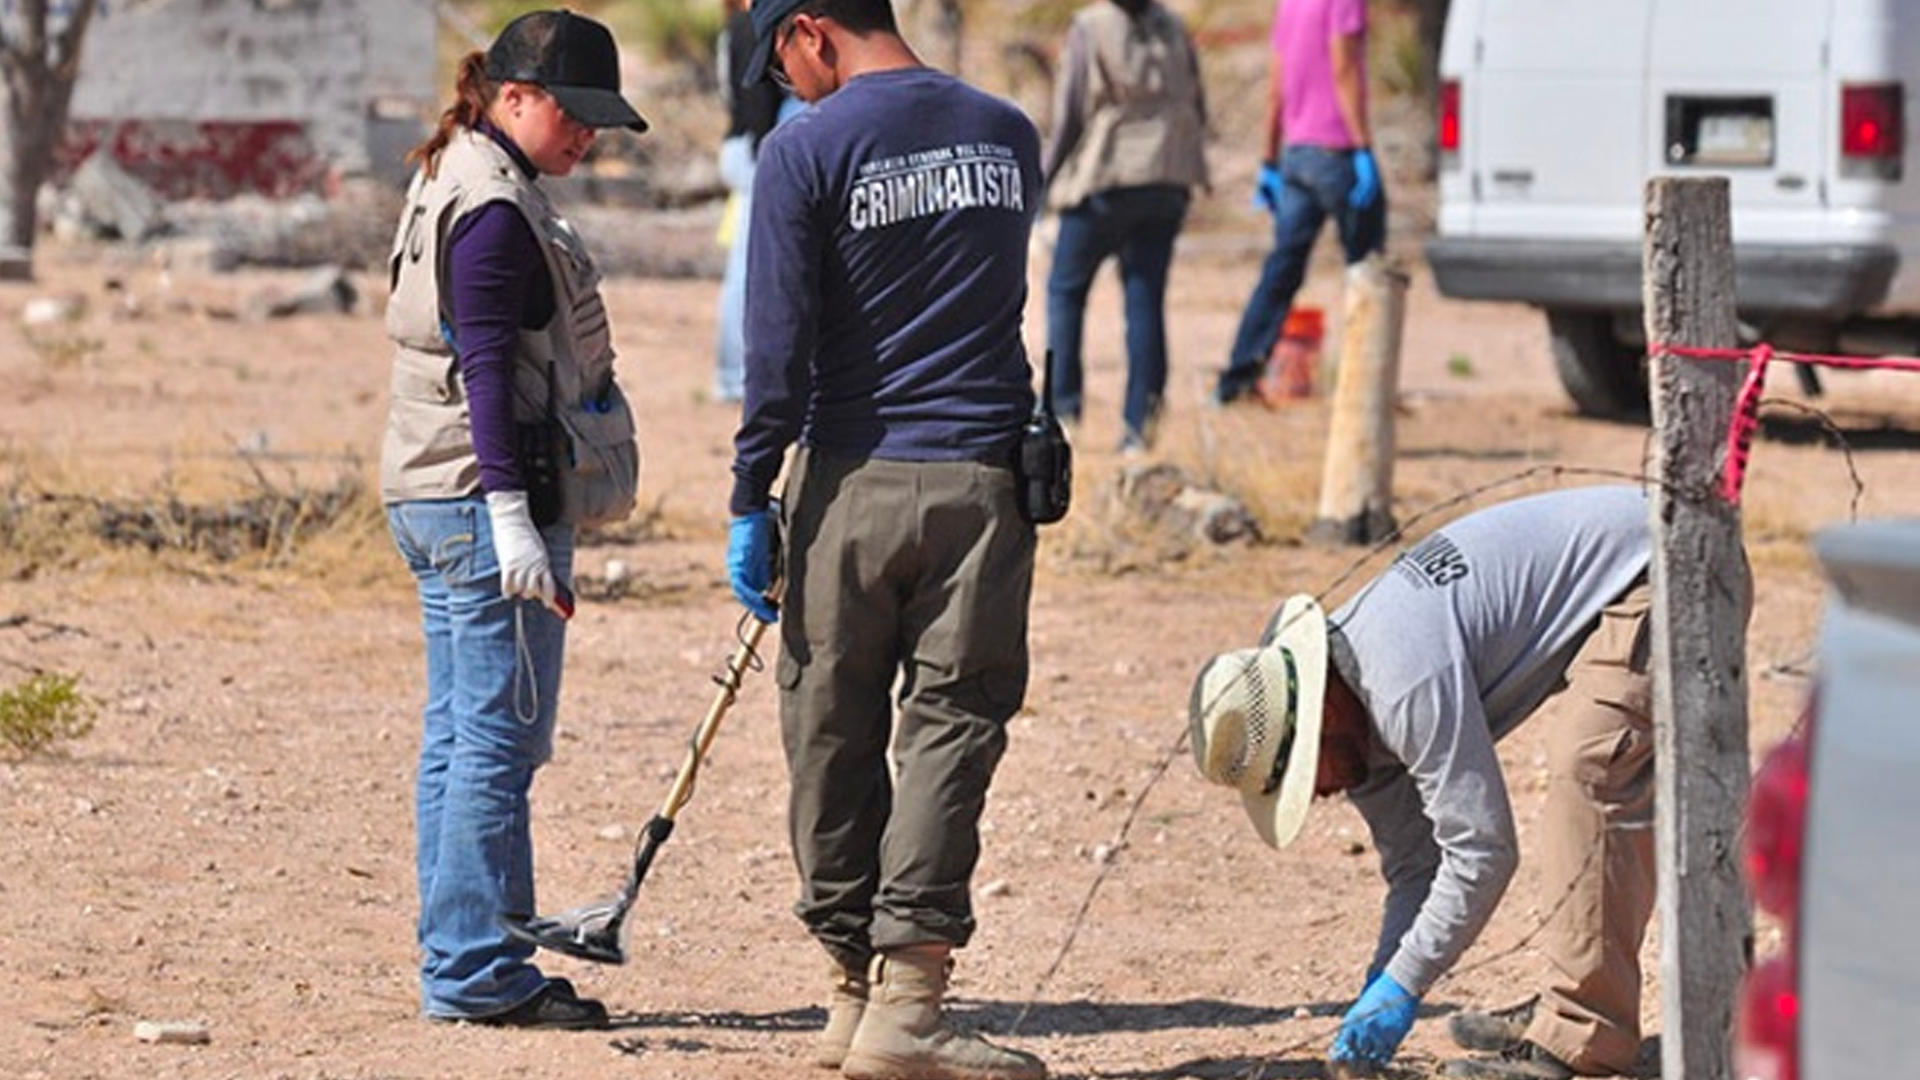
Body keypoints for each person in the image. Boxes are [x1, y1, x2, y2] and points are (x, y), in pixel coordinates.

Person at [725, 1, 1048, 1077]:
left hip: (847, 481)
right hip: (981, 480)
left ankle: (854, 993)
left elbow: (774, 347)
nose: (786, 85)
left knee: (829, 723)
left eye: (782, 60)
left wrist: (747, 491)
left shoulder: (804, 150)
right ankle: (905, 1000)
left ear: (810, 30)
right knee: (953, 725)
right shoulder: (1007, 135)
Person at [1188, 486, 1682, 1079]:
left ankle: (1581, 1037)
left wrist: (1404, 985)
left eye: (1299, 777)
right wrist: (1385, 976)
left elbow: (1484, 849)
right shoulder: (1355, 730)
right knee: (1590, 763)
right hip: (1621, 579)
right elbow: (1417, 870)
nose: (1316, 796)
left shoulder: (1398, 679)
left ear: (1319, 719)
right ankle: (1573, 1007)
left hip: (1664, 566)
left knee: (1591, 767)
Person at [378, 9, 645, 1030]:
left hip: (429, 490)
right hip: (478, 502)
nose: (588, 137)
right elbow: (486, 368)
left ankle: (464, 955)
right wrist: (512, 519)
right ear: (516, 98)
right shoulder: (493, 208)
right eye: (573, 116)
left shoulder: (459, 171)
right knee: (497, 742)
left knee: (459, 738)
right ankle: (479, 973)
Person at [1042, 0, 1209, 453]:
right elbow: (1198, 101)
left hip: (1107, 179)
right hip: (1167, 178)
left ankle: (1063, 414)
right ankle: (1140, 428)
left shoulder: (1090, 27)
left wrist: (1043, 182)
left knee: (1065, 293)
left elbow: (1070, 117)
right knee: (1145, 301)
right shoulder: (1173, 25)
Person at [1212, 0, 1385, 406]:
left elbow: (1277, 88)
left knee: (1281, 271)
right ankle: (1366, 390)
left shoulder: (1290, 5)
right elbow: (1343, 68)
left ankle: (1237, 379)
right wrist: (1362, 147)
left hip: (1296, 156)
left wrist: (1269, 161)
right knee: (1370, 274)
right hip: (1337, 153)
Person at [713, 0, 791, 403]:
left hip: (738, 144)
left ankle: (732, 374)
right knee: (748, 264)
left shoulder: (731, 27)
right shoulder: (756, 24)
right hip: (755, 148)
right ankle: (734, 375)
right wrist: (767, 149)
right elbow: (755, 91)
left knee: (744, 261)